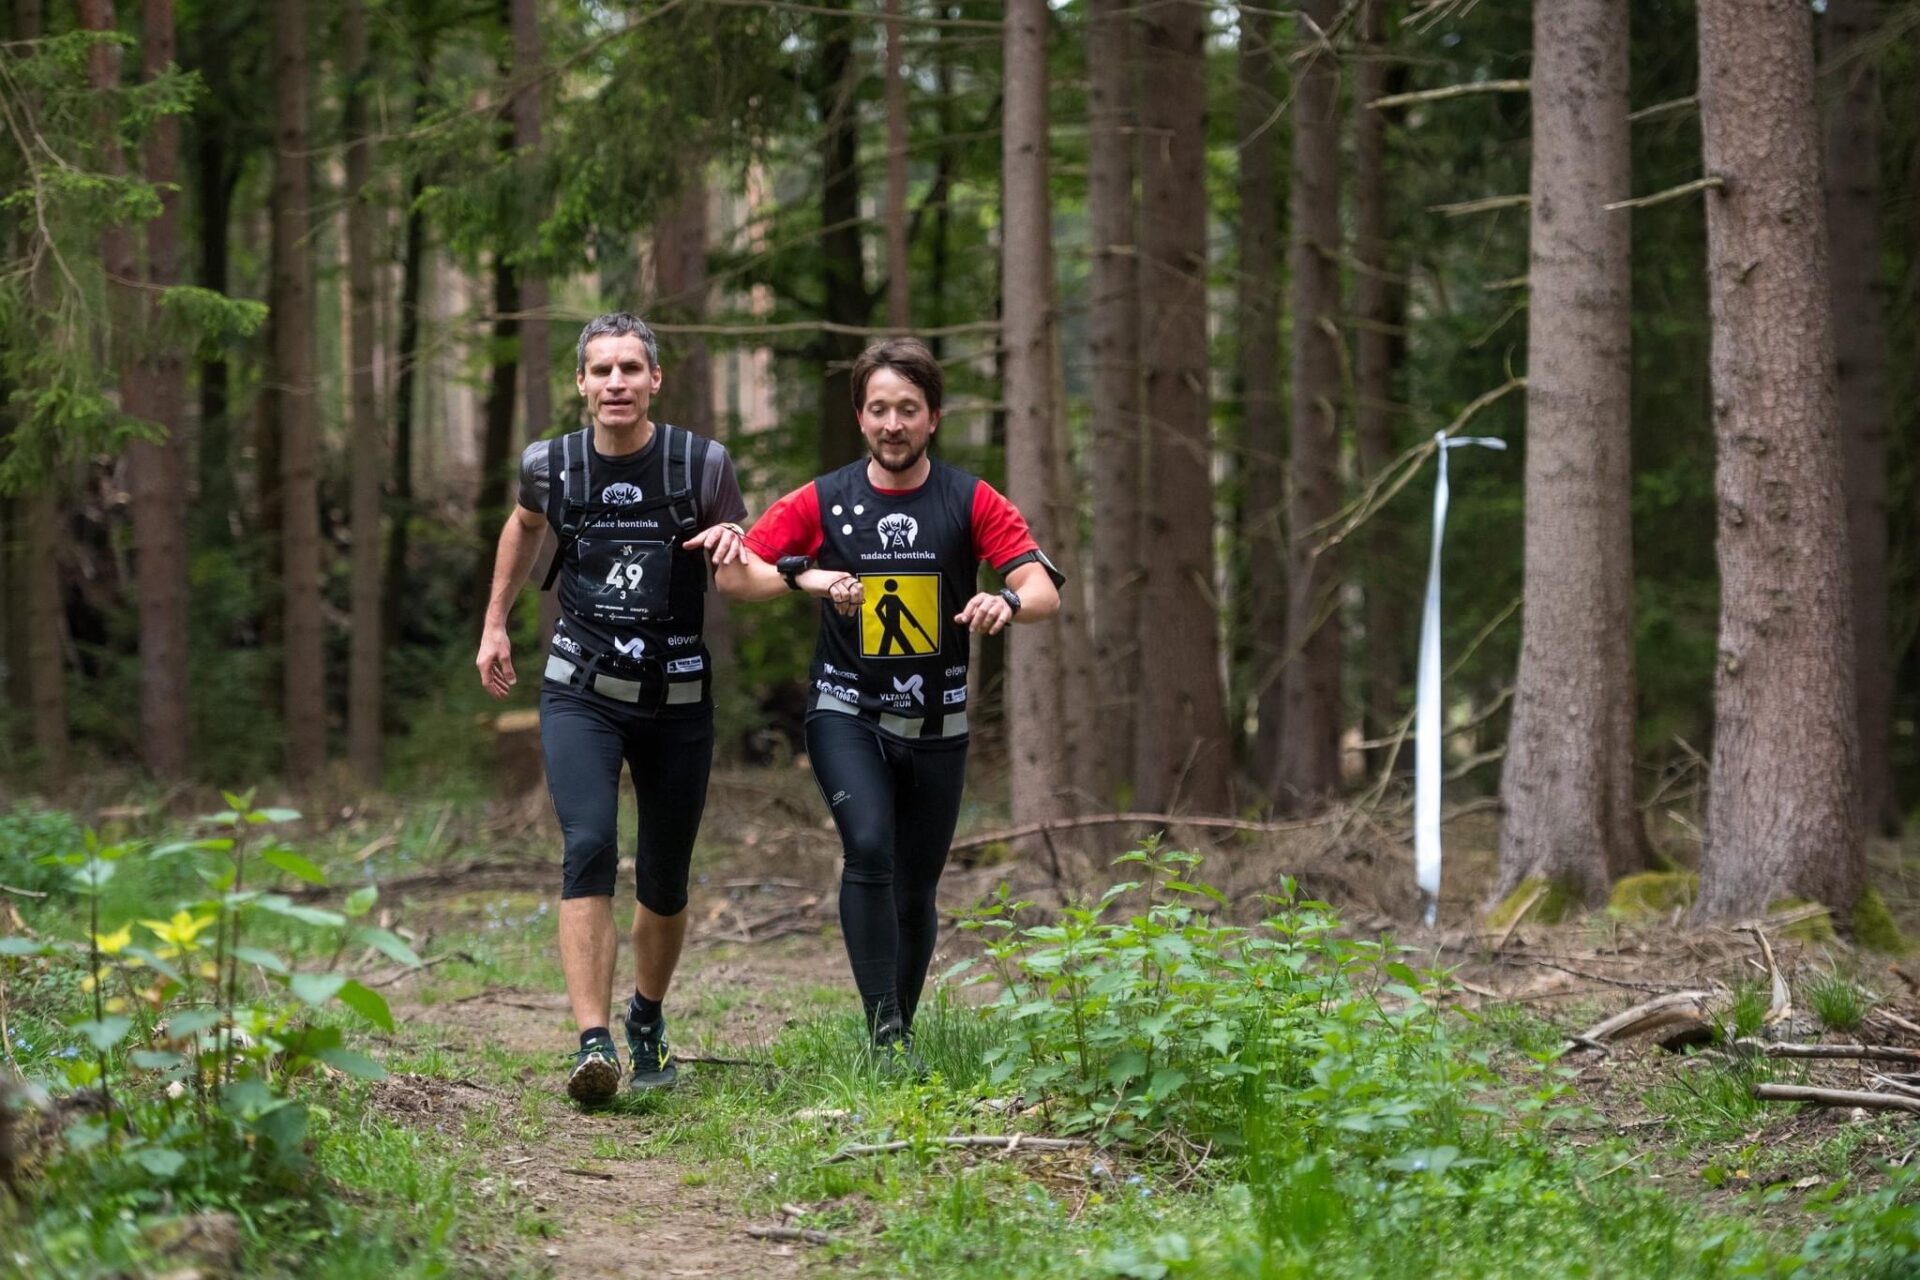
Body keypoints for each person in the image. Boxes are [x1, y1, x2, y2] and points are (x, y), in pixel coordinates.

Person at [716, 337, 1062, 1064]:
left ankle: (897, 1027)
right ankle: (884, 1033)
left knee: (915, 891)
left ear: (933, 416)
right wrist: (807, 578)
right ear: (859, 417)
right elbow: (738, 574)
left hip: (938, 724)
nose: (892, 424)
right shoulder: (826, 498)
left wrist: (1004, 602)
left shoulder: (969, 499)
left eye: (908, 409)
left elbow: (1043, 589)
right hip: (847, 710)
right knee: (867, 847)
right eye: (879, 410)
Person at [475, 312, 749, 1104]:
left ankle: (647, 1016)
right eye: (602, 371)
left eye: (631, 369)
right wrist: (495, 623)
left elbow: (737, 561)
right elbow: (523, 526)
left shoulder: (701, 464)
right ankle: (592, 1041)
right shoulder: (550, 464)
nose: (616, 383)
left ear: (655, 380)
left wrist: (749, 556)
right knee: (589, 844)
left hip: (679, 696)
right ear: (582, 383)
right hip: (580, 691)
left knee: (664, 877)